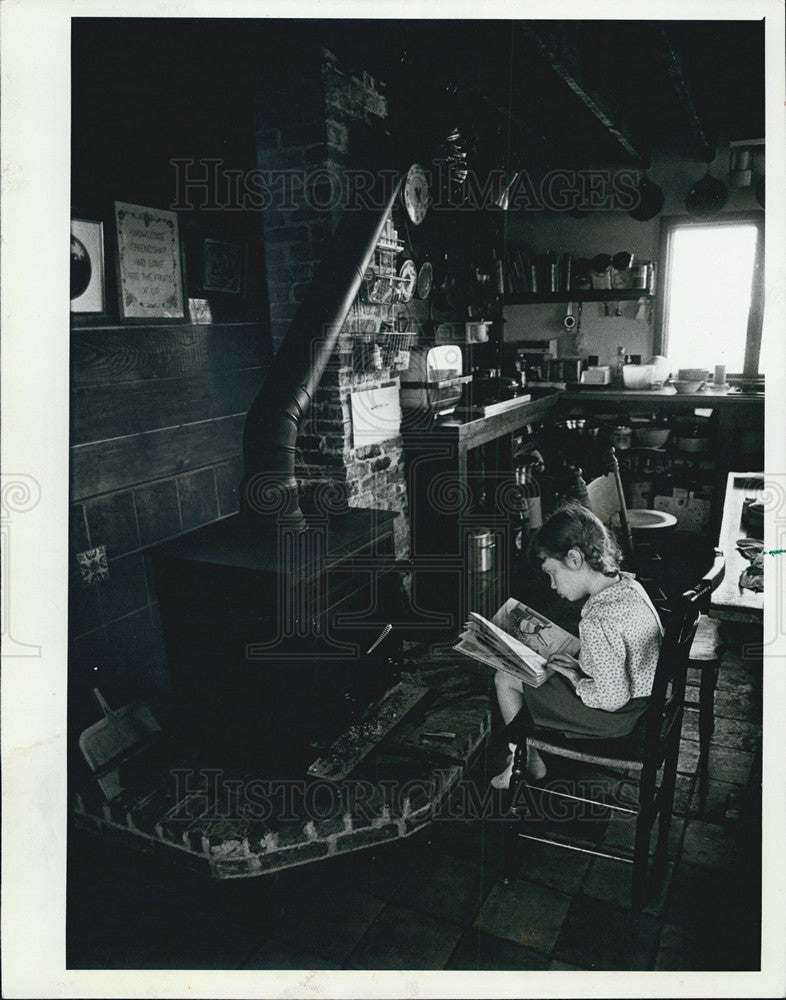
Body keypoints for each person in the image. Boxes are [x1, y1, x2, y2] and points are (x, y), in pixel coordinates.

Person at [492, 502, 664, 789]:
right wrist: (580, 666)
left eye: (551, 573)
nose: (552, 585)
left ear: (574, 559)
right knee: (553, 665)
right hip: (645, 705)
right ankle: (530, 756)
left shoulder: (597, 622)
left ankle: (527, 761)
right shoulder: (630, 587)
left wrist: (575, 678)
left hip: (617, 720)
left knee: (505, 677)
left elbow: (611, 699)